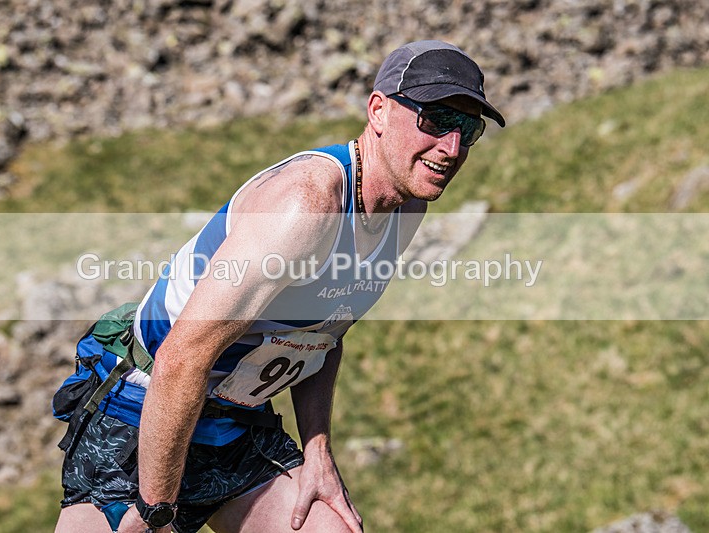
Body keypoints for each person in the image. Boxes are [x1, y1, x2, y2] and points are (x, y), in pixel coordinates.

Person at [52, 39, 505, 533]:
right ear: (378, 111)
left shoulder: (406, 204)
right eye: (436, 121)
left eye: (468, 129)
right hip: (143, 413)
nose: (452, 148)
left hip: (233, 423)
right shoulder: (307, 205)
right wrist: (159, 512)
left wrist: (318, 451)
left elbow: (323, 333)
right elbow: (182, 358)